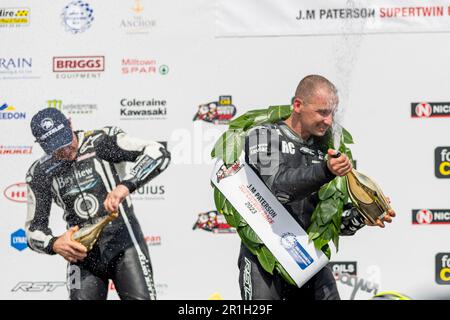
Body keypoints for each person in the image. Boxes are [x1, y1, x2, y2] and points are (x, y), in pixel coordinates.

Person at [239, 74, 396, 300]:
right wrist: (325, 171)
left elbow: (330, 222)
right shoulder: (264, 135)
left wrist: (363, 215)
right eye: (322, 112)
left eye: (332, 113)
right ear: (298, 105)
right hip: (264, 261)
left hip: (308, 259)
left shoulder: (328, 150)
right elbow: (277, 188)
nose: (329, 120)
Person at [25, 108, 170, 300]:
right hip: (82, 256)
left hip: (124, 245)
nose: (66, 151)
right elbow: (33, 230)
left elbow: (158, 152)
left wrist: (125, 186)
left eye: (66, 141)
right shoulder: (40, 173)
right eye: (56, 148)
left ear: (70, 124)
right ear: (42, 145)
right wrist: (54, 243)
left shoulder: (101, 141)